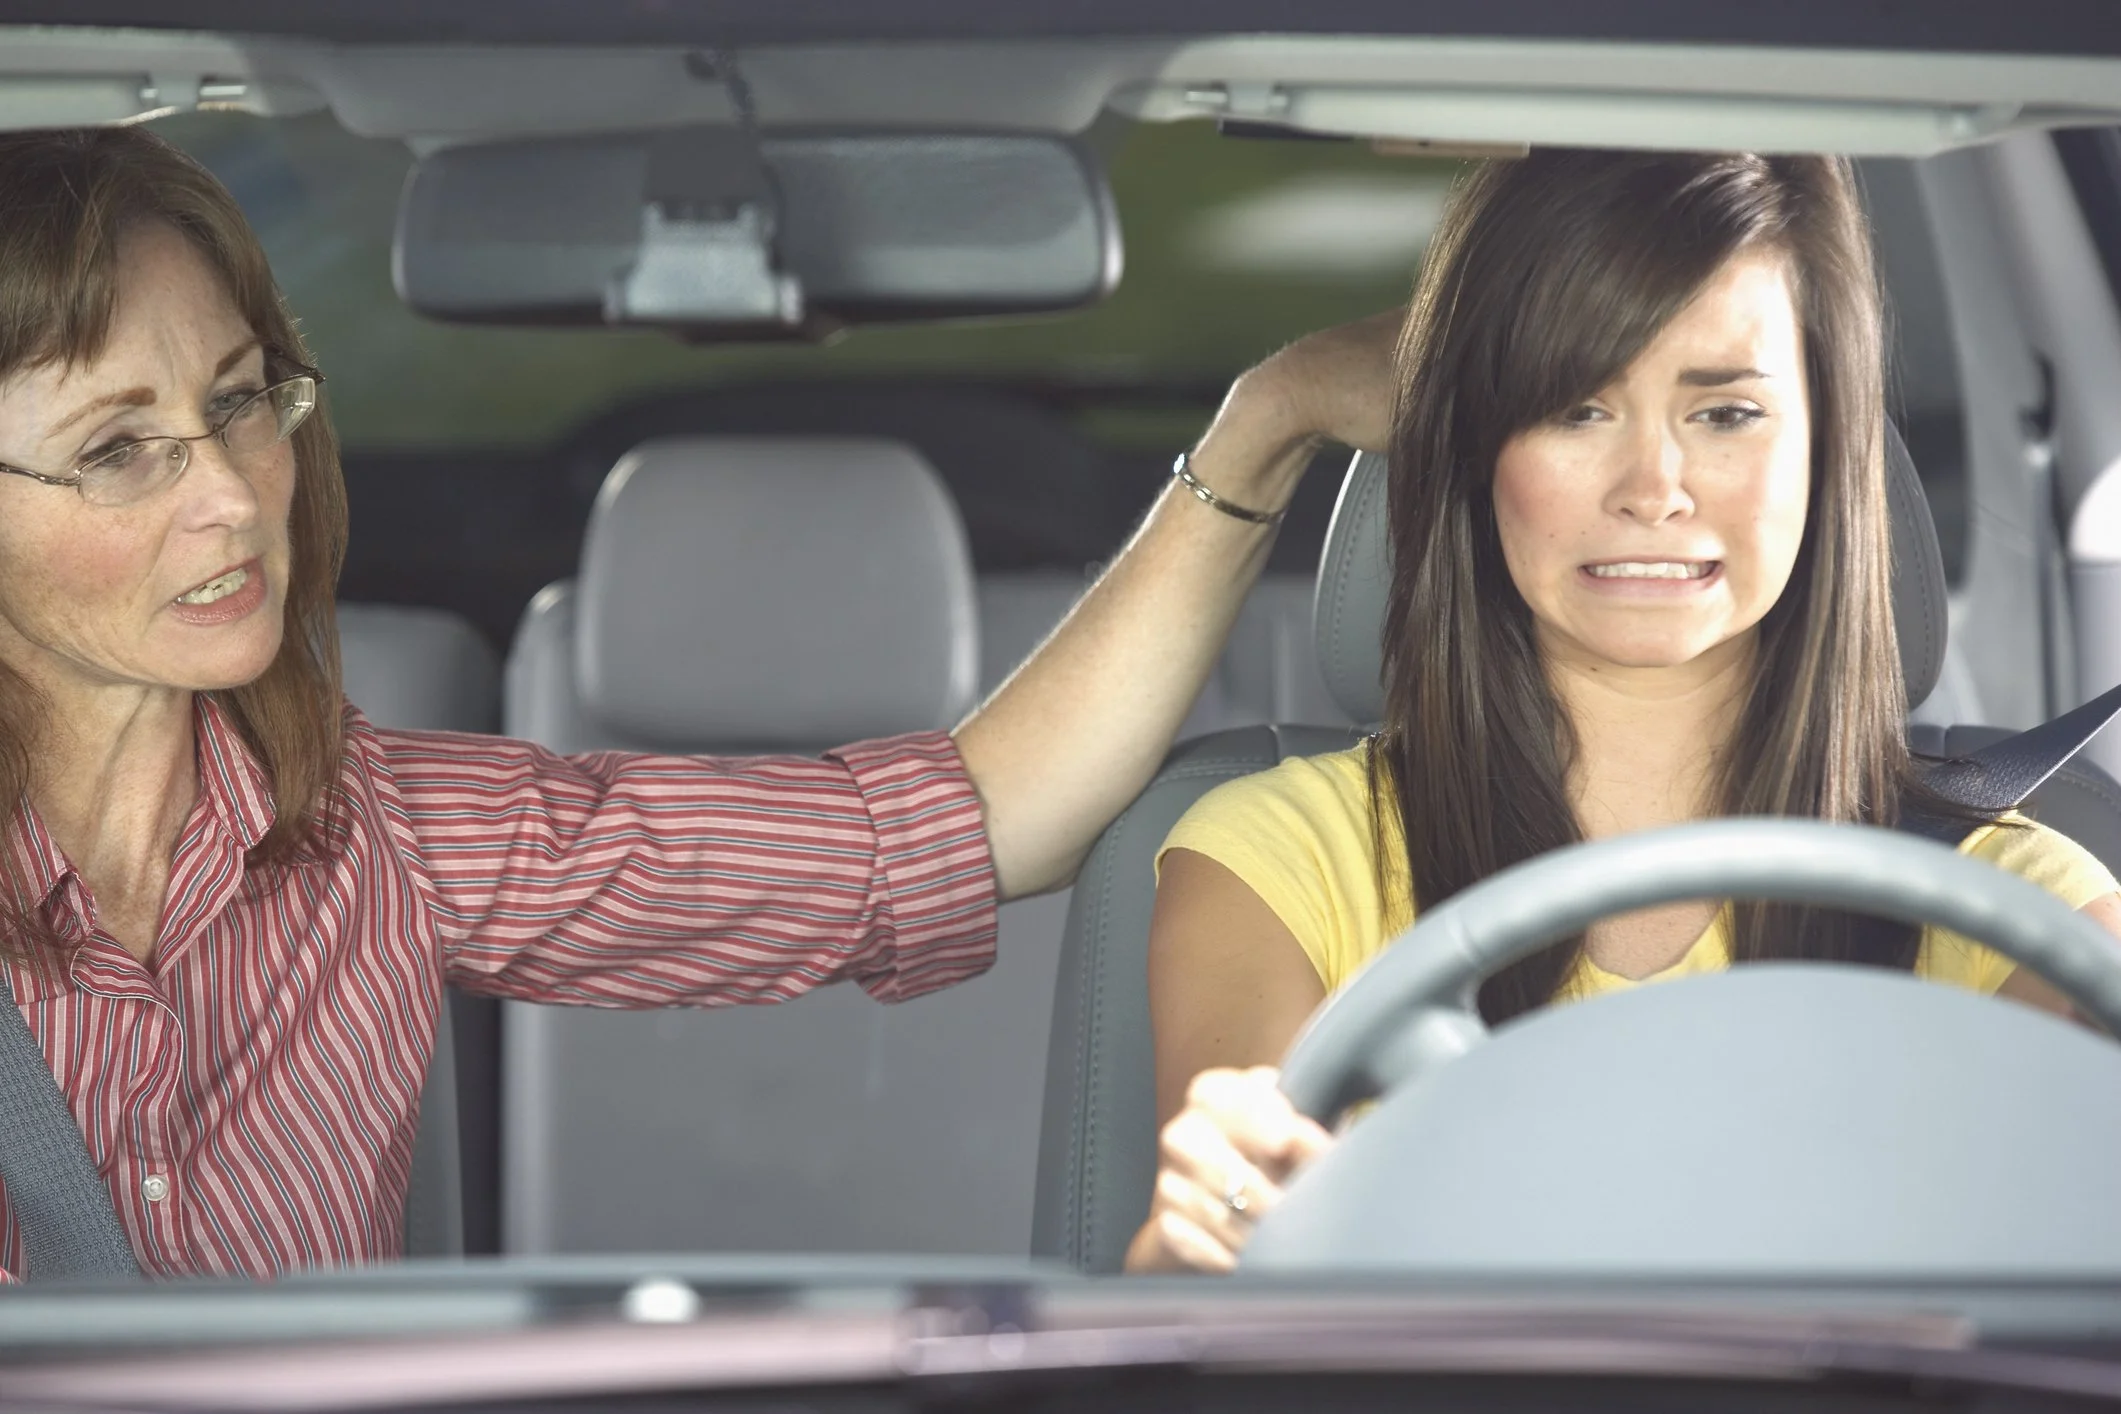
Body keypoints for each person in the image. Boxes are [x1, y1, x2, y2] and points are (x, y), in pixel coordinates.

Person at [0, 125, 1373, 1281]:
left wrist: (1271, 416)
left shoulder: (382, 837)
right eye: (118, 448)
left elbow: (974, 823)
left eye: (241, 401)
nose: (232, 493)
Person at [1123, 149, 2121, 1275]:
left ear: (1828, 449)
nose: (1653, 485)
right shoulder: (1277, 857)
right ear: (1477, 451)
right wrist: (1204, 1226)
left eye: (1728, 411)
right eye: (1577, 406)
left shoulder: (2021, 907)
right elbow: (1211, 1286)